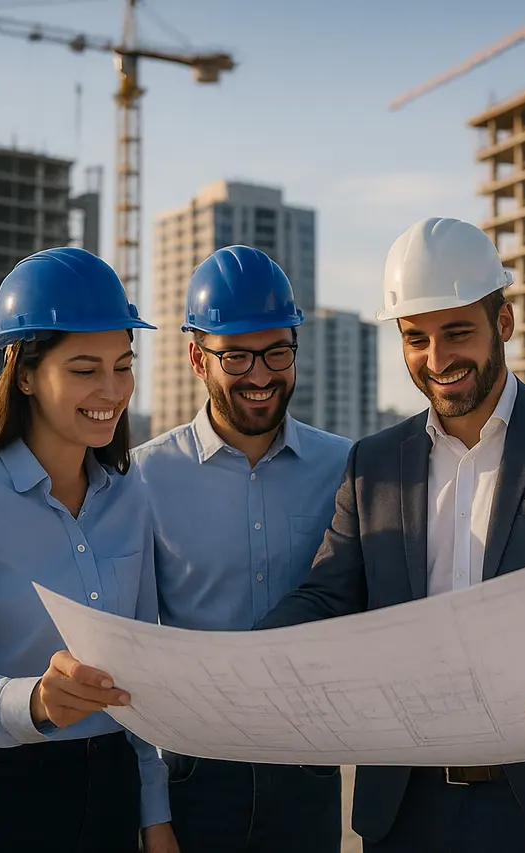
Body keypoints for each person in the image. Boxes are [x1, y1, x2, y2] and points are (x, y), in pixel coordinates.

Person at [255, 217, 525, 853]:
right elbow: (327, 596)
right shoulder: (372, 463)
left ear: (502, 324)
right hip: (404, 811)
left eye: (457, 332)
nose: (437, 358)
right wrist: (243, 658)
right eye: (415, 339)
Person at [0, 247, 177, 853]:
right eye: (84, 369)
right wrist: (31, 699)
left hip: (109, 793)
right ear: (24, 373)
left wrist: (152, 812)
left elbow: (139, 677)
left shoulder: (132, 498)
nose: (111, 390)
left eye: (123, 366)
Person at [132, 245, 352, 852]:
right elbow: (129, 649)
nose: (261, 375)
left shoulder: (346, 468)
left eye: (278, 352)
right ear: (197, 359)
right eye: (237, 357)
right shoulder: (141, 480)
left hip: (308, 774)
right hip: (192, 777)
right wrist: (152, 812)